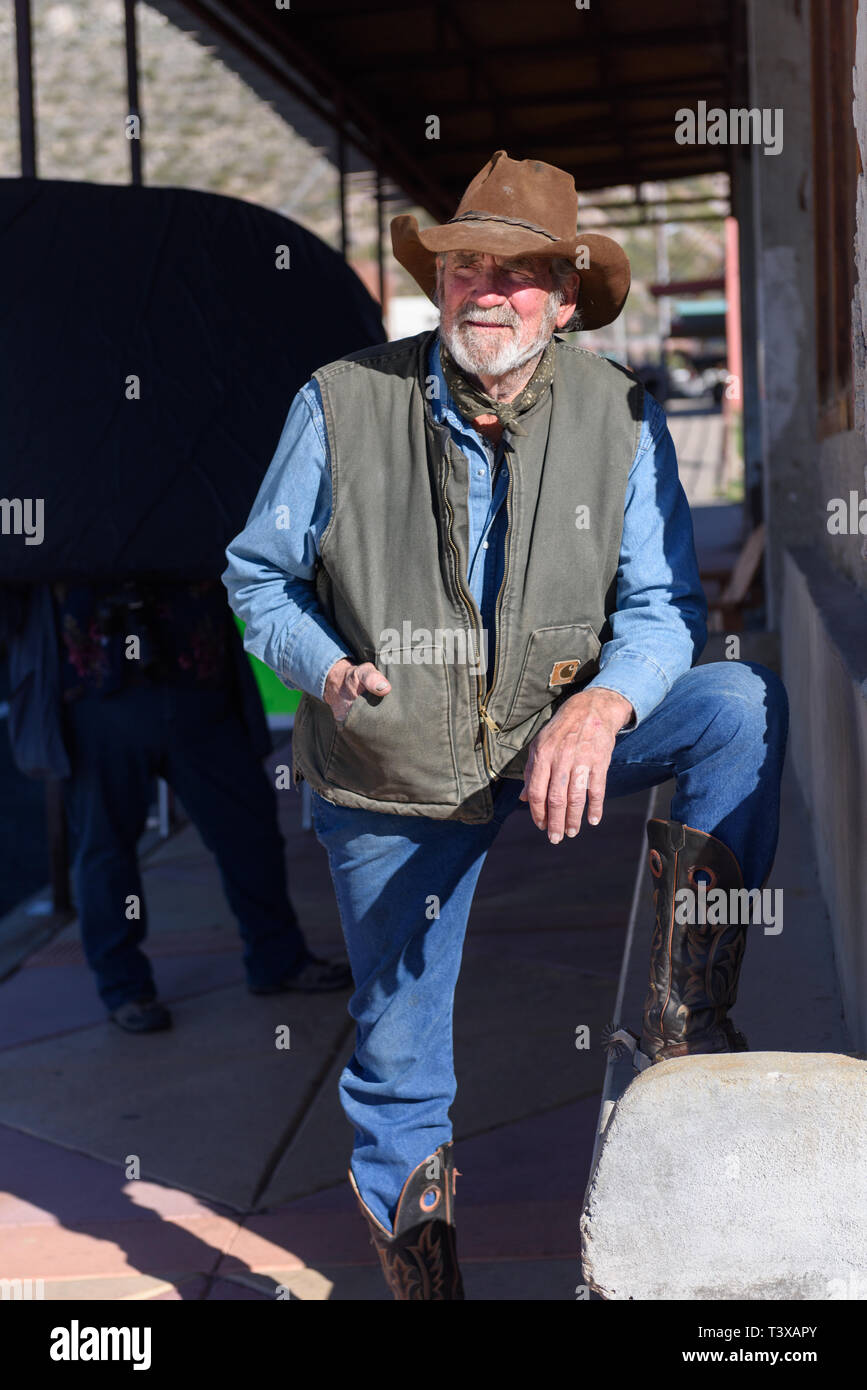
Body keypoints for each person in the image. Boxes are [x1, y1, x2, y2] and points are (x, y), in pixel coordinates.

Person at [222, 150, 788, 1300]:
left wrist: (605, 700)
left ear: (565, 298)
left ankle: (686, 1020)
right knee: (396, 1068)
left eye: (519, 272)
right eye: (465, 262)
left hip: (545, 728)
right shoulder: (339, 400)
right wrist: (326, 671)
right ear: (441, 278)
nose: (487, 287)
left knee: (734, 704)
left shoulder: (619, 414)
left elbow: (665, 605)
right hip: (392, 765)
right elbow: (256, 578)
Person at [2, 576, 351, 1034]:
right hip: (96, 691)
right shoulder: (58, 512)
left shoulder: (187, 506)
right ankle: (123, 986)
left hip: (195, 679)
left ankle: (277, 958)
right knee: (105, 849)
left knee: (249, 829)